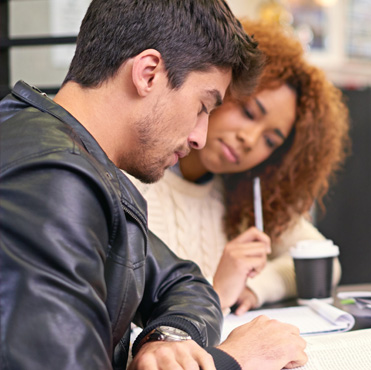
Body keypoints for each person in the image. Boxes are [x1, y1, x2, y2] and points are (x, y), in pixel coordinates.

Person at [0, 1, 307, 369]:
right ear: (148, 74)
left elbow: (184, 282)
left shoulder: (89, 169)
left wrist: (168, 340)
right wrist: (234, 362)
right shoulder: (54, 179)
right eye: (202, 107)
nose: (200, 137)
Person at [131, 20, 348, 315]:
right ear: (221, 87)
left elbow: (324, 262)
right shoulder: (135, 179)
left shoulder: (243, 201)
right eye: (248, 112)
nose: (250, 139)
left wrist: (256, 286)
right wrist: (217, 290)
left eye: (270, 141)